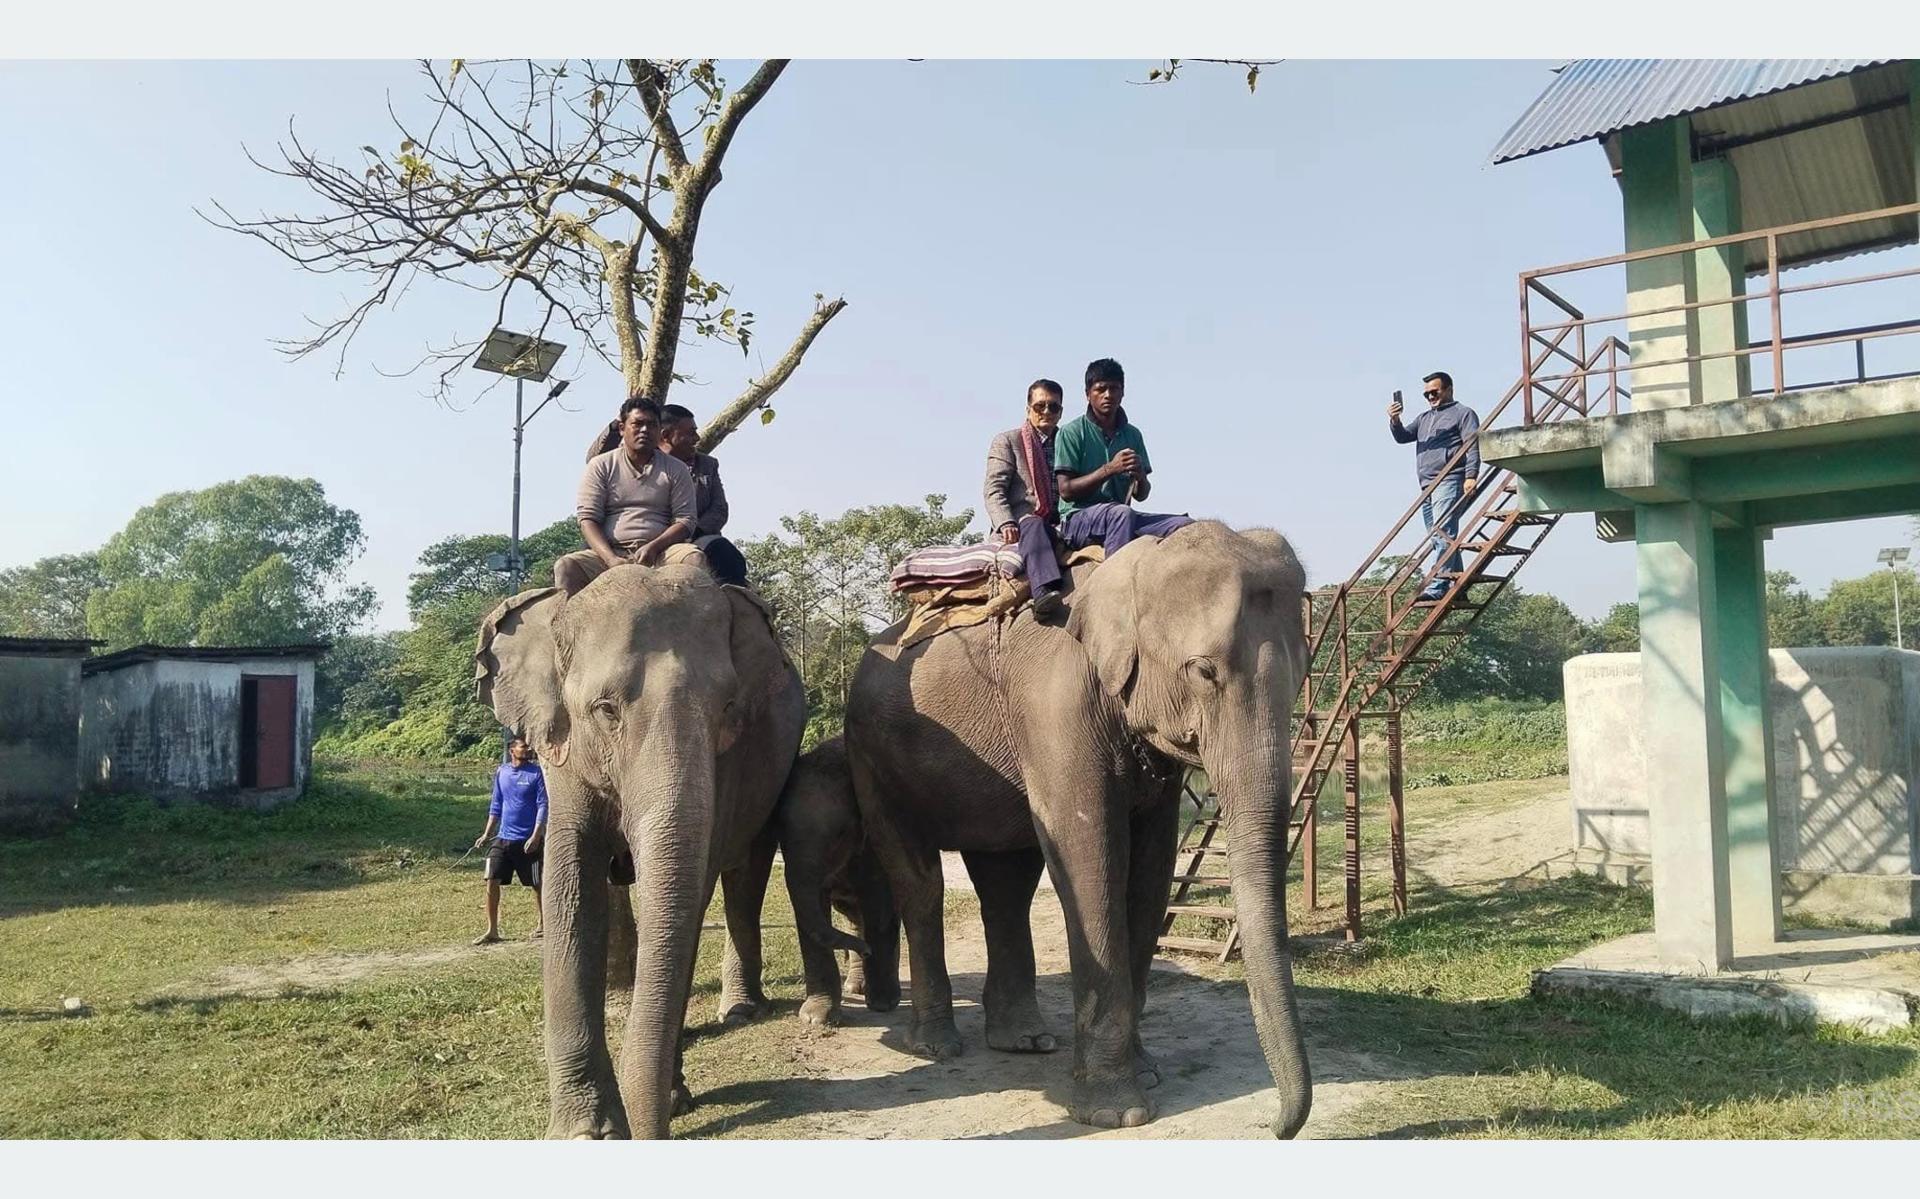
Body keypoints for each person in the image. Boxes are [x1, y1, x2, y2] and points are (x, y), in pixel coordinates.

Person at [553, 395, 702, 596]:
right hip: (609, 554)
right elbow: (587, 519)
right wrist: (610, 559)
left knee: (693, 558)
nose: (644, 430)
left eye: (651, 425)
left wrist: (653, 547)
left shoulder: (677, 469)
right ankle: (566, 627)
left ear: (659, 432)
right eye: (637, 424)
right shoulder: (600, 465)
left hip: (663, 553)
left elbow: (686, 520)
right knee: (567, 566)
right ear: (622, 428)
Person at [1052, 357, 1194, 560]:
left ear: (1123, 392)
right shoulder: (1071, 432)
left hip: (1121, 516)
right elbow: (1066, 491)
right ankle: (1113, 585)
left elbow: (1142, 494)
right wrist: (1109, 469)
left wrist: (1140, 477)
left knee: (1184, 525)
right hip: (1078, 520)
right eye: (1100, 389)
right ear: (1087, 394)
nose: (1108, 395)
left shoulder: (1133, 435)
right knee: (1121, 514)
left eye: (1114, 388)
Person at [1388, 370, 1482, 601]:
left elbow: (1472, 445)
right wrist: (1394, 420)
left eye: (1434, 391)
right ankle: (1458, 586)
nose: (1430, 397)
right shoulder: (1423, 419)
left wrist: (1471, 475)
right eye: (1426, 394)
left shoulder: (1463, 414)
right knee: (1439, 535)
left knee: (1442, 532)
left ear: (1449, 389)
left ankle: (1438, 586)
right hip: (1427, 485)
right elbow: (1402, 437)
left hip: (1450, 479)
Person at [983, 379, 1069, 617]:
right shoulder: (1007, 442)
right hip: (1024, 525)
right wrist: (1006, 522)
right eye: (1040, 406)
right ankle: (1042, 592)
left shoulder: (1068, 442)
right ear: (1028, 408)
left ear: (1061, 412)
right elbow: (994, 489)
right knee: (1033, 522)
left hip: (1060, 525)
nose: (1046, 412)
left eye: (1053, 407)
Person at [657, 403, 750, 586]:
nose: (697, 438)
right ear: (666, 436)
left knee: (728, 557)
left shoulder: (707, 465)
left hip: (699, 538)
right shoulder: (647, 464)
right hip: (654, 538)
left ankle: (739, 605)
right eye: (690, 433)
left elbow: (719, 509)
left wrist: (692, 531)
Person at [473, 737, 547, 945]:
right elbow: (496, 804)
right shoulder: (502, 772)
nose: (528, 749)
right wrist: (487, 833)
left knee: (536, 883)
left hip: (527, 840)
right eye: (523, 746)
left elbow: (543, 805)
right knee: (491, 879)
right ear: (512, 750)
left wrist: (536, 835)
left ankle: (543, 924)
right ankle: (492, 930)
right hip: (503, 838)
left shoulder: (536, 773)